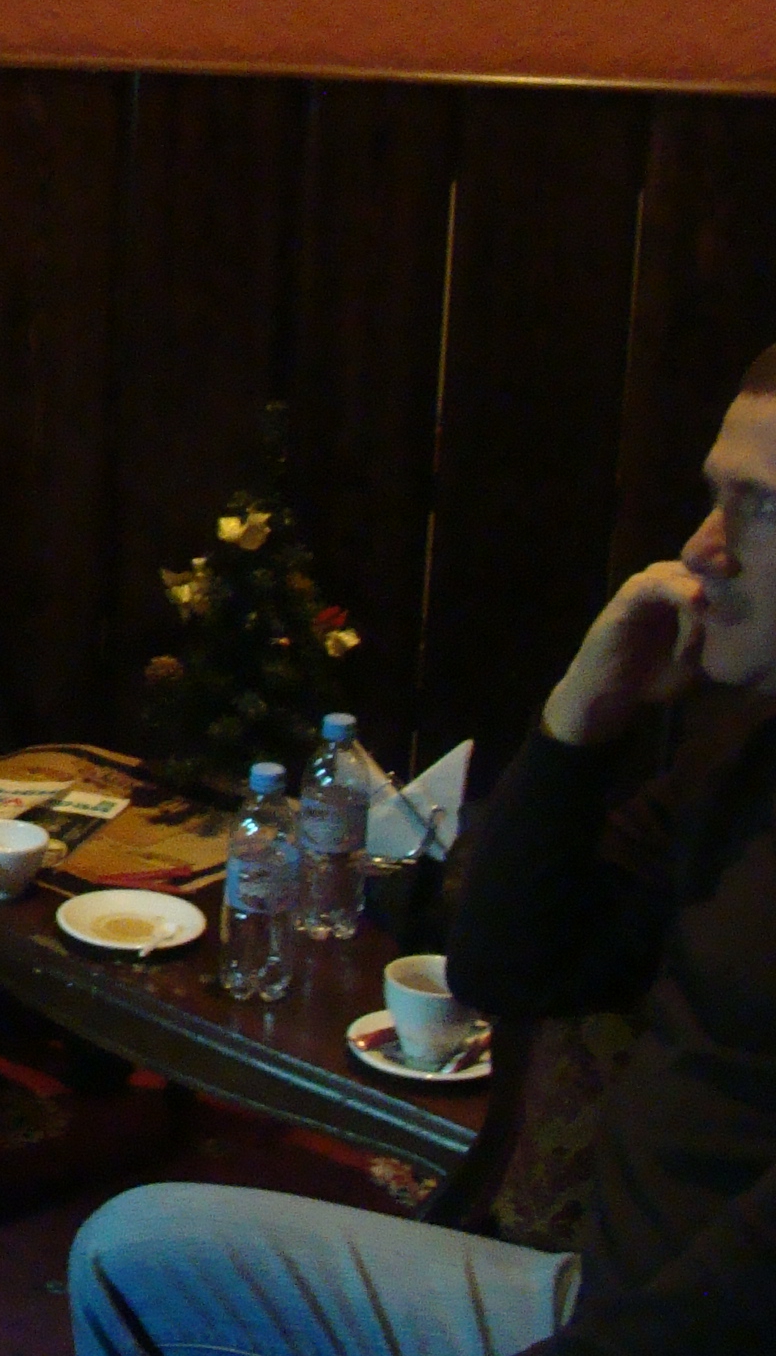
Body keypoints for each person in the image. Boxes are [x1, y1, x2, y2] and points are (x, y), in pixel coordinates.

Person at [67, 346, 776, 1355]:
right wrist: (580, 718)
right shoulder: (743, 751)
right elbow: (508, 966)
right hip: (597, 1300)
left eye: (762, 507)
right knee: (131, 1251)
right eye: (714, 497)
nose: (705, 549)